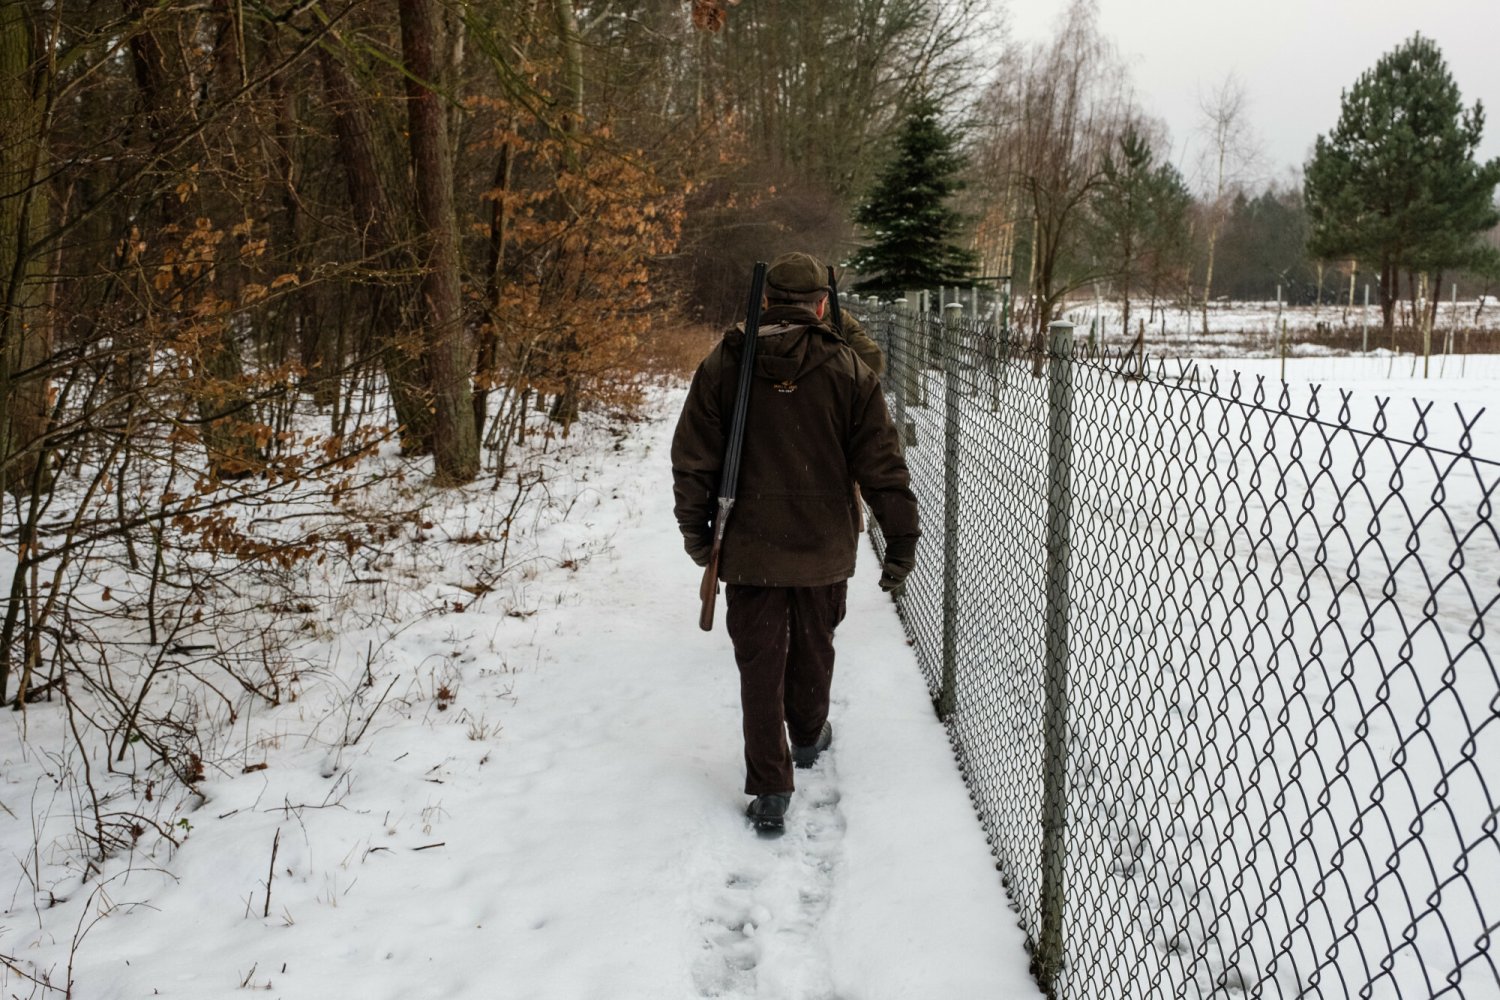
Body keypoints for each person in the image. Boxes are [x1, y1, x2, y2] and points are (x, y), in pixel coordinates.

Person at [670, 251, 920, 833]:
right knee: (815, 643)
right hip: (824, 545)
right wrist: (902, 539)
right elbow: (883, 467)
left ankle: (771, 789)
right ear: (824, 305)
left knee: (758, 666)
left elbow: (692, 460)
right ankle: (807, 736)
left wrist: (697, 534)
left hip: (750, 546)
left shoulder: (724, 364)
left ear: (764, 302)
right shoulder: (850, 369)